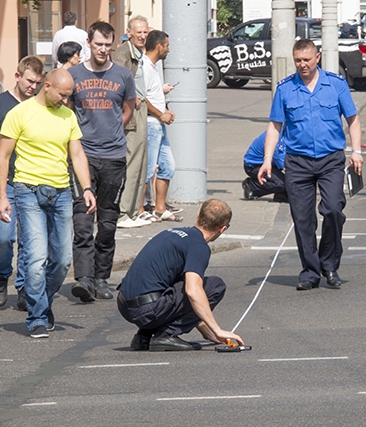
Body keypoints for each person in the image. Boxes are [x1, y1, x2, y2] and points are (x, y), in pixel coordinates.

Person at [257, 39, 364, 291]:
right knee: (303, 219)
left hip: (330, 160)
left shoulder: (335, 85)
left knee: (333, 210)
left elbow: (353, 120)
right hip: (298, 162)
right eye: (298, 61)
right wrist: (267, 159)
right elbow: (275, 126)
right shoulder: (285, 88)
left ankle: (330, 264)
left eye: (306, 60)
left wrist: (356, 151)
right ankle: (310, 271)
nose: (302, 65)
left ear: (317, 58)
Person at [0, 69, 96, 339]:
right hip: (27, 191)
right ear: (47, 86)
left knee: (63, 259)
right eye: (62, 95)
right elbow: (3, 156)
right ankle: (38, 316)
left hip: (62, 192)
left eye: (69, 96)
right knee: (36, 257)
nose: (65, 101)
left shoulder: (68, 115)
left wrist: (87, 188)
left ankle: (42, 300)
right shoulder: (19, 113)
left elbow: (76, 153)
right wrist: (2, 196)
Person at [67, 21, 136, 302]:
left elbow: (128, 108)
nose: (103, 49)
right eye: (98, 44)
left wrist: (111, 131)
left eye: (108, 45)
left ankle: (101, 278)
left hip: (114, 157)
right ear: (88, 42)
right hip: (83, 156)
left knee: (107, 223)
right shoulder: (73, 75)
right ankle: (83, 279)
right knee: (83, 221)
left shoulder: (123, 75)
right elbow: (68, 110)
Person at [117, 199, 244, 351]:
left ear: (198, 216)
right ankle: (165, 336)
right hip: (146, 310)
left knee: (175, 282)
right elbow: (193, 292)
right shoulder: (198, 246)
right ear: (222, 229)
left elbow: (180, 296)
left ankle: (143, 336)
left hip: (124, 304)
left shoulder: (170, 232)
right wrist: (217, 330)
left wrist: (206, 331)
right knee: (214, 286)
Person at [0, 56, 45, 310]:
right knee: (4, 238)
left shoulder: (40, 107)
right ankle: (2, 275)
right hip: (5, 183)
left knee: (30, 240)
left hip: (31, 183)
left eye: (38, 83)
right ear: (18, 77)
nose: (33, 87)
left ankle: (25, 287)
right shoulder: (2, 104)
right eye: (30, 81)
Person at [113, 16, 154, 228]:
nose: (142, 36)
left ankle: (131, 212)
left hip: (140, 109)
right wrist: (130, 96)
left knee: (141, 163)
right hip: (131, 112)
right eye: (138, 32)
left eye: (145, 32)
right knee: (132, 163)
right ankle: (122, 213)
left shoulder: (138, 52)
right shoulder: (123, 52)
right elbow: (116, 79)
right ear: (129, 33)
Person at [143, 30, 181, 222]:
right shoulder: (144, 66)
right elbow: (141, 99)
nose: (168, 49)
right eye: (167, 45)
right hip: (151, 124)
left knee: (168, 165)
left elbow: (154, 95)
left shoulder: (154, 66)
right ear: (159, 47)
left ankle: (160, 207)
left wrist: (165, 110)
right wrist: (160, 114)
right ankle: (139, 209)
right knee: (147, 170)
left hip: (159, 123)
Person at [243, 131, 287, 202]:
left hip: (271, 164)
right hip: (254, 165)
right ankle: (252, 186)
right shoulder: (278, 138)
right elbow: (286, 167)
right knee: (284, 183)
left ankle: (281, 194)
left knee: (289, 181)